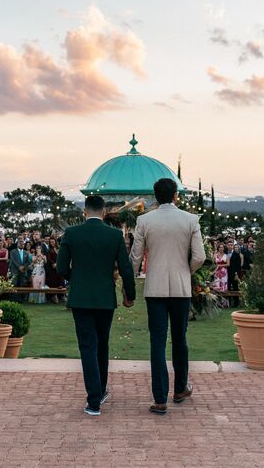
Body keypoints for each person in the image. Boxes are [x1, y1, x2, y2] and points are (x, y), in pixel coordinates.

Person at [130, 178, 206, 416]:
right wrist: (186, 271)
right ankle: (180, 388)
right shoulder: (191, 220)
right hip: (181, 289)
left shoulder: (144, 220)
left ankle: (160, 398)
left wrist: (130, 283)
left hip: (155, 289)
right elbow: (200, 256)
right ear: (175, 196)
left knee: (157, 342)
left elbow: (135, 257)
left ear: (155, 196)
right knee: (180, 339)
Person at [56, 195, 136, 416]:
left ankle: (94, 400)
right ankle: (98, 392)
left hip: (81, 298)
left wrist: (77, 278)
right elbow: (126, 268)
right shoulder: (114, 235)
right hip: (104, 297)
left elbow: (61, 267)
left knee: (88, 347)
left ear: (85, 211)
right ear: (103, 212)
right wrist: (130, 295)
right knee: (102, 344)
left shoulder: (72, 234)